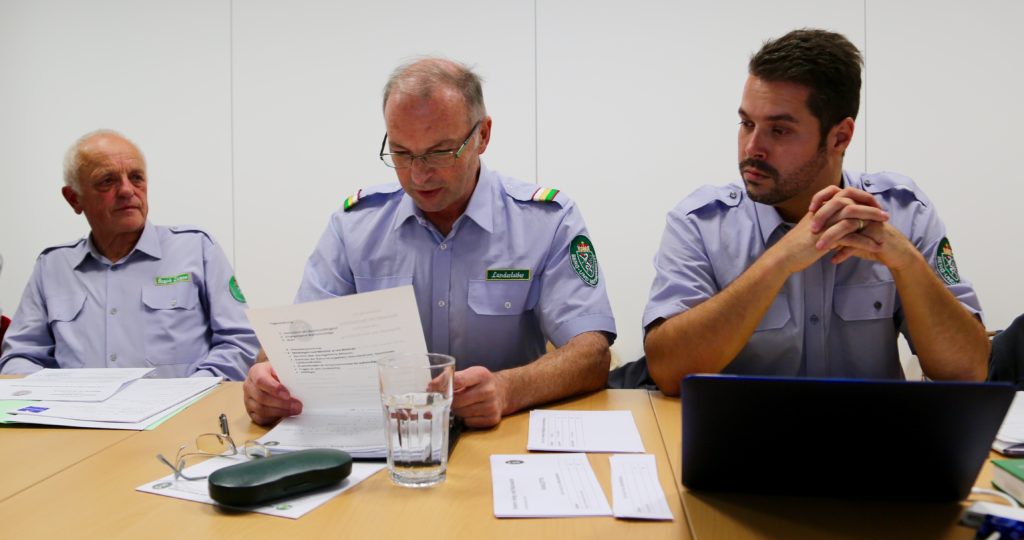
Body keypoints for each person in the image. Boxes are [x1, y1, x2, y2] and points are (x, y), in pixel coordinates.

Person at [244, 58, 616, 427]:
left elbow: (592, 354)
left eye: (439, 152)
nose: (419, 174)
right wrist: (266, 380)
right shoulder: (355, 226)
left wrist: (508, 389)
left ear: (483, 136)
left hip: (500, 436)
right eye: (402, 153)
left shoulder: (546, 221)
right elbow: (297, 344)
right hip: (384, 439)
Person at [643, 29, 988, 395]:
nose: (752, 147)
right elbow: (668, 371)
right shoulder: (699, 223)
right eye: (747, 124)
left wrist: (907, 262)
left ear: (840, 137)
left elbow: (968, 371)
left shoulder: (904, 212)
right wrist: (780, 259)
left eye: (779, 130)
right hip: (744, 428)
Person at [0, 130, 258, 379]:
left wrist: (192, 394)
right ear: (74, 199)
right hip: (77, 411)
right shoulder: (52, 267)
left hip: (189, 410)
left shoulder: (196, 249)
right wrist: (59, 396)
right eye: (107, 181)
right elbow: (20, 357)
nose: (126, 190)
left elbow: (240, 342)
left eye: (136, 178)